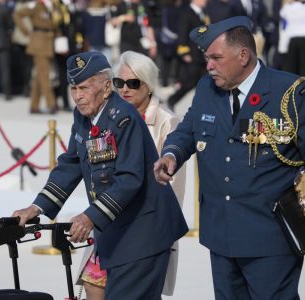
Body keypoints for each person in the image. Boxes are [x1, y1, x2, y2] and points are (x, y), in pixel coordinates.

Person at [154, 16, 305, 299]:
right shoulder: (208, 88)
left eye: (216, 58)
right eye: (207, 58)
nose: (209, 66)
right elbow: (189, 130)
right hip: (220, 232)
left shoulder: (292, 92)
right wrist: (171, 154)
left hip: (271, 236)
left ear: (243, 55)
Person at [12, 51, 188, 300]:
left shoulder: (124, 117)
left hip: (144, 232)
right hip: (117, 230)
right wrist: (37, 207)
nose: (77, 96)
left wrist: (89, 217)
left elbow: (129, 179)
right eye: (73, 88)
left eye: (83, 87)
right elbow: (71, 164)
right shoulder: (84, 115)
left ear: (106, 87)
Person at [75, 50, 187, 299]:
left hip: (144, 224)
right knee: (94, 286)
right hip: (108, 219)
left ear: (148, 86)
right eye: (119, 83)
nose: (124, 89)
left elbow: (172, 184)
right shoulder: (105, 114)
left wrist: (162, 236)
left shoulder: (166, 121)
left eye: (133, 83)